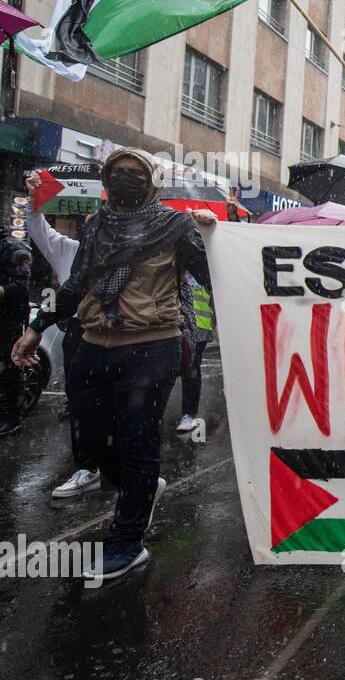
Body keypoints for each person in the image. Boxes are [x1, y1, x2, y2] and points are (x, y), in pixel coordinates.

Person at [11, 148, 216, 580]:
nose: (124, 179)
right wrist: (37, 325)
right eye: (117, 173)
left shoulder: (177, 227)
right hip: (92, 344)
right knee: (93, 443)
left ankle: (127, 542)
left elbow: (214, 276)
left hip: (152, 347)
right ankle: (142, 489)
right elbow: (75, 284)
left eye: (134, 173)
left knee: (136, 442)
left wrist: (217, 238)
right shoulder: (97, 225)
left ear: (152, 183)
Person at [25, 173, 101, 496]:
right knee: (79, 400)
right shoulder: (67, 249)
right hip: (76, 333)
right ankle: (87, 466)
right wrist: (34, 198)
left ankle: (120, 467)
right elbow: (37, 228)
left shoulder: (122, 247)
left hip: (110, 332)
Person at [0, 226, 33, 437]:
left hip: (7, 321)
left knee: (8, 370)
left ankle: (12, 418)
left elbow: (23, 287)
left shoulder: (13, 247)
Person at [177, 275, 214, 434]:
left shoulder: (201, 262)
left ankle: (189, 413)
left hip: (199, 325)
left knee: (191, 367)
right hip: (177, 322)